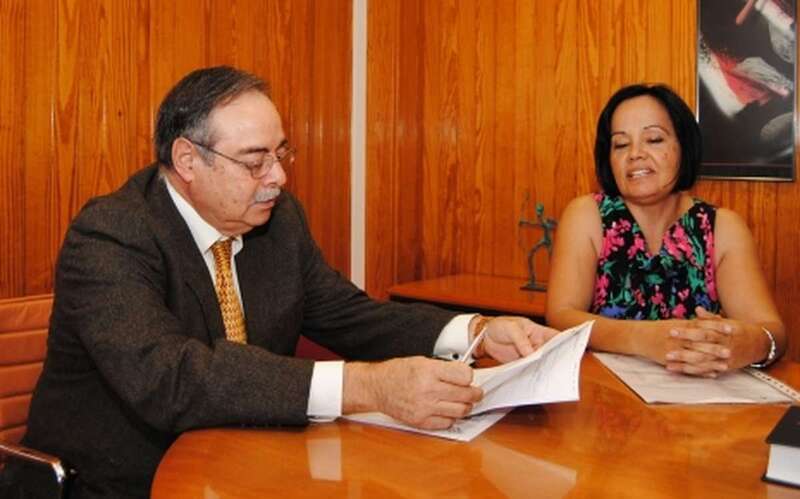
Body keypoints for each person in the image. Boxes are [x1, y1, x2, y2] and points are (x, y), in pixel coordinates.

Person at [18, 66, 558, 498]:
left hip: (245, 462)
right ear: (188, 160)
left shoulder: (278, 219)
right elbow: (172, 378)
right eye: (255, 161)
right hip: (120, 481)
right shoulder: (111, 233)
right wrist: (367, 387)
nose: (278, 177)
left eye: (281, 154)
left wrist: (476, 332)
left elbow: (347, 313)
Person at [546, 83, 786, 378]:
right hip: (603, 394)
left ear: (683, 147)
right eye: (621, 144)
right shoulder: (587, 216)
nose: (635, 154)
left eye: (654, 139)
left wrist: (749, 344)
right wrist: (645, 339)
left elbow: (772, 332)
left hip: (698, 400)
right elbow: (560, 318)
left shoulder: (721, 227)